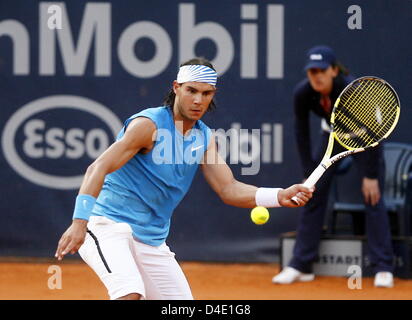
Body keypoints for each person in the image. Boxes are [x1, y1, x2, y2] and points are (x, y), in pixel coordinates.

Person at [55, 57, 314, 300]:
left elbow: (229, 188)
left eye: (206, 93)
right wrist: (80, 222)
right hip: (106, 225)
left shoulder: (204, 139)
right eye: (191, 91)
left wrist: (279, 195)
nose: (198, 100)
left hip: (151, 239)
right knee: (130, 293)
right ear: (176, 88)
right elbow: (97, 168)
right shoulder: (148, 125)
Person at [272, 46, 395, 288]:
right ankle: (300, 265)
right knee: (311, 196)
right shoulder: (303, 93)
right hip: (331, 136)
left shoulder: (354, 92)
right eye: (312, 71)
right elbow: (301, 130)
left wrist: (370, 175)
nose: (316, 76)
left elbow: (376, 132)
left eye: (322, 70)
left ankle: (383, 267)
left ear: (334, 70)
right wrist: (309, 169)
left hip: (365, 138)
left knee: (372, 197)